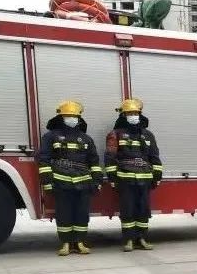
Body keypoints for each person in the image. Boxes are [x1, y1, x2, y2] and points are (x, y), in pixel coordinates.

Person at [36, 100, 103, 256]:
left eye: (74, 116)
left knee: (82, 213)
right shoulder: (50, 137)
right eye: (68, 116)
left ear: (79, 118)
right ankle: (65, 243)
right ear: (61, 117)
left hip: (83, 183)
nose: (71, 119)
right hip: (61, 182)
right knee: (64, 213)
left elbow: (94, 161)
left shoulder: (86, 139)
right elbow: (43, 159)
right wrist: (47, 181)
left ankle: (80, 242)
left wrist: (97, 181)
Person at [105, 99, 163, 252]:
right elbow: (110, 157)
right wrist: (112, 178)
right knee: (128, 210)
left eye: (135, 113)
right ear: (123, 115)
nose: (133, 116)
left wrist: (157, 175)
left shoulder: (148, 135)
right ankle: (129, 240)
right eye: (130, 113)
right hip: (125, 179)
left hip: (144, 180)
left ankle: (142, 239)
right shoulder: (115, 135)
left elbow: (154, 156)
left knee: (143, 210)